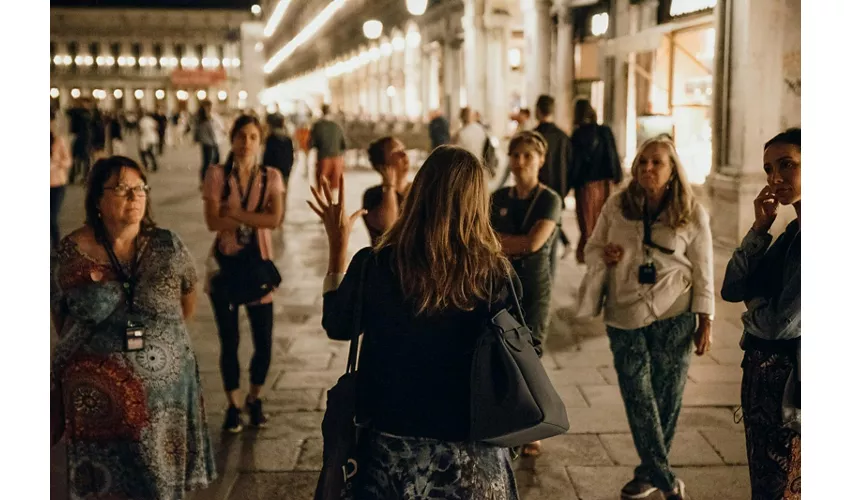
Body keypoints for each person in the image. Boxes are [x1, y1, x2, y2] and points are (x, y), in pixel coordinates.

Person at [309, 145, 521, 499]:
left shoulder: (375, 265)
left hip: (391, 453)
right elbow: (523, 348)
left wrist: (337, 250)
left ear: (420, 192)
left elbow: (338, 325)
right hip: (472, 454)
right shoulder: (494, 274)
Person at [50, 155, 216, 499]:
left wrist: (160, 345)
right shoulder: (70, 252)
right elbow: (62, 319)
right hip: (98, 409)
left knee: (159, 486)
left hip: (164, 404)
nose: (135, 197)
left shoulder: (167, 245)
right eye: (122, 189)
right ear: (97, 198)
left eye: (140, 188)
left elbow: (187, 301)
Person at [584, 136, 713, 500]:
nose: (647, 168)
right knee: (638, 396)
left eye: (656, 162)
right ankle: (666, 479)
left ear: (672, 171)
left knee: (667, 398)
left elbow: (704, 268)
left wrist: (706, 320)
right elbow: (591, 248)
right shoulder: (616, 204)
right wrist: (604, 254)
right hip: (624, 313)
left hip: (675, 313)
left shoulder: (691, 211)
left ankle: (648, 473)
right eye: (642, 161)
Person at [720, 128, 801, 500]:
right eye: (769, 168)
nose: (775, 178)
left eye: (787, 165)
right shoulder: (790, 232)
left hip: (788, 390)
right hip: (763, 387)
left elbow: (779, 323)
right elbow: (732, 288)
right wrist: (759, 228)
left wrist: (753, 306)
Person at [202, 115, 285, 433]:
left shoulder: (271, 176)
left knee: (264, 341)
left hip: (258, 266)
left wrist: (234, 214)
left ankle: (255, 397)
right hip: (225, 268)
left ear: (259, 141)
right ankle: (234, 404)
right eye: (240, 136)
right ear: (232, 139)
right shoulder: (216, 174)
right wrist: (254, 217)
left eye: (252, 137)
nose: (246, 142)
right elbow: (212, 222)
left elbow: (275, 219)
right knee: (229, 341)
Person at [490, 131, 561, 457]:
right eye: (515, 155)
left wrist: (502, 242)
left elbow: (533, 243)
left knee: (530, 353)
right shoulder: (499, 197)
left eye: (527, 156)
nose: (519, 163)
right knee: (501, 350)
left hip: (533, 287)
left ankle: (534, 425)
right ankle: (507, 420)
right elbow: (482, 238)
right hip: (500, 285)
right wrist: (510, 243)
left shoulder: (549, 199)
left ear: (540, 160)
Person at [570, 99, 623, 264]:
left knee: (588, 225)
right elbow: (613, 155)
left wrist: (573, 183)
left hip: (586, 187)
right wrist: (617, 177)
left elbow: (575, 164)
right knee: (606, 221)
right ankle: (603, 257)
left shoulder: (577, 135)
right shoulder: (605, 131)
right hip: (606, 185)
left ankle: (591, 258)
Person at [533, 95, 572, 277]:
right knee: (553, 238)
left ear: (538, 110)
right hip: (558, 191)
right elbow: (570, 166)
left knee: (538, 243)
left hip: (536, 193)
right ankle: (550, 280)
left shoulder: (534, 137)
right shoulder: (563, 137)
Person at [361, 136, 411, 245]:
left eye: (403, 150)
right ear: (383, 166)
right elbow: (389, 227)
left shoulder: (419, 189)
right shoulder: (372, 195)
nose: (404, 155)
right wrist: (389, 187)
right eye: (396, 152)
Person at [262, 113, 295, 226]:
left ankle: (274, 216)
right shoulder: (287, 139)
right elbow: (291, 156)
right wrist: (289, 168)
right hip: (285, 170)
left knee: (272, 194)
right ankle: (281, 217)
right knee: (283, 194)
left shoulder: (271, 139)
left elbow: (267, 157)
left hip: (273, 171)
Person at [309, 104, 347, 195]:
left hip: (323, 158)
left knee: (321, 184)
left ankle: (322, 204)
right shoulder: (337, 126)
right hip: (337, 159)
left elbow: (311, 143)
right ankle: (333, 204)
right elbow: (344, 145)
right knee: (334, 187)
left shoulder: (317, 126)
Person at [51, 110, 72, 249]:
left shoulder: (59, 140)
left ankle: (57, 246)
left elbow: (68, 161)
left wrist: (56, 162)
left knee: (51, 217)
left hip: (57, 183)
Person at [195, 104, 220, 186]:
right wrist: (215, 144)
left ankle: (203, 180)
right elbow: (212, 133)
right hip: (210, 144)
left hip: (204, 144)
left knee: (205, 162)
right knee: (210, 162)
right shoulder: (207, 122)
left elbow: (197, 133)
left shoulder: (199, 122)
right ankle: (208, 180)